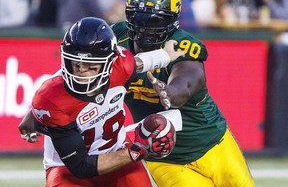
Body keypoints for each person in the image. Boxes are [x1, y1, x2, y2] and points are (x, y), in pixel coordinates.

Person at [111, 0, 255, 186]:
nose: (145, 27)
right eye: (139, 18)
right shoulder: (116, 39)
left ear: (172, 20)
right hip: (166, 159)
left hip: (213, 144)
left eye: (156, 20)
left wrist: (169, 92)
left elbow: (185, 84)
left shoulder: (182, 43)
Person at [18, 17, 183, 187]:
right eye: (75, 64)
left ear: (110, 64)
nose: (81, 71)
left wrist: (165, 55)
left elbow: (139, 63)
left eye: (91, 66)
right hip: (67, 169)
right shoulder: (52, 99)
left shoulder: (121, 66)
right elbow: (81, 166)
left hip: (116, 151)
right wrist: (137, 150)